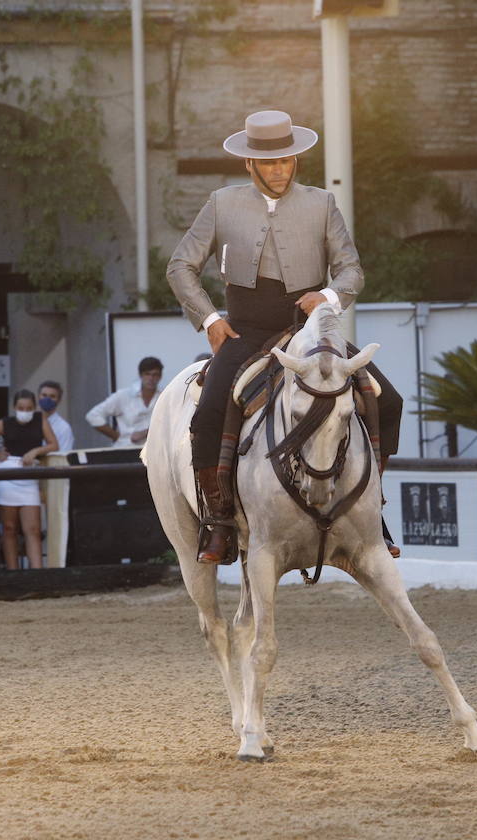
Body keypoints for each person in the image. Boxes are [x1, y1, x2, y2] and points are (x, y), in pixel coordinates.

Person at [166, 109, 404, 563]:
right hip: (245, 328)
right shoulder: (221, 203)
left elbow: (352, 268)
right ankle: (218, 522)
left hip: (309, 330)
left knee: (388, 400)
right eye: (270, 163)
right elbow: (180, 266)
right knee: (209, 412)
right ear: (249, 164)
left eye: (287, 161)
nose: (280, 170)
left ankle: (372, 509)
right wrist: (210, 319)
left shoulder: (322, 204)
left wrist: (330, 296)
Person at [0, 389, 57, 570]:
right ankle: (13, 572)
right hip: (8, 473)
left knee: (33, 529)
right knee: (9, 527)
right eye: (21, 407)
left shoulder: (40, 420)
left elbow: (53, 443)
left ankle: (37, 572)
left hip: (28, 474)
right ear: (14, 407)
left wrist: (36, 451)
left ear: (34, 408)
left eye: (28, 408)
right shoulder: (6, 423)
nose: (25, 411)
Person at [86, 358, 161, 448]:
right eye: (147, 374)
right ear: (140, 375)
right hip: (126, 449)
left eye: (155, 375)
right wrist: (117, 437)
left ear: (160, 376)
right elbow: (93, 415)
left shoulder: (164, 397)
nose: (151, 378)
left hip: (154, 451)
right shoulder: (124, 395)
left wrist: (145, 432)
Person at [38, 380, 75, 454]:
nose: (47, 399)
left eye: (52, 396)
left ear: (59, 400)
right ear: (38, 397)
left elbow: (63, 456)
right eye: (44, 395)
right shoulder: (30, 420)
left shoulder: (64, 428)